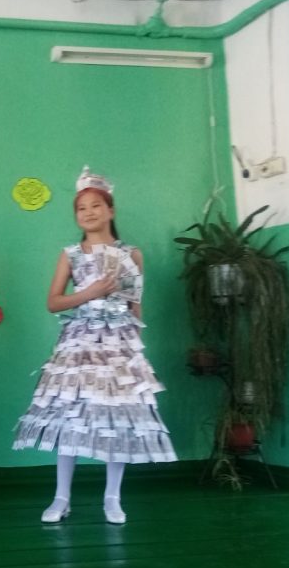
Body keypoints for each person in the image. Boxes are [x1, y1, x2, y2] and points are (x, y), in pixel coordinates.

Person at [12, 166, 177, 525]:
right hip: (80, 344)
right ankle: (61, 497)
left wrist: (135, 349)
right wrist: (89, 293)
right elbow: (54, 302)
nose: (88, 212)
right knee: (71, 416)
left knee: (117, 417)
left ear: (111, 210)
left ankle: (112, 497)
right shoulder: (71, 254)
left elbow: (135, 304)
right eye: (81, 208)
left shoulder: (132, 254)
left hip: (119, 344)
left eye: (95, 205)